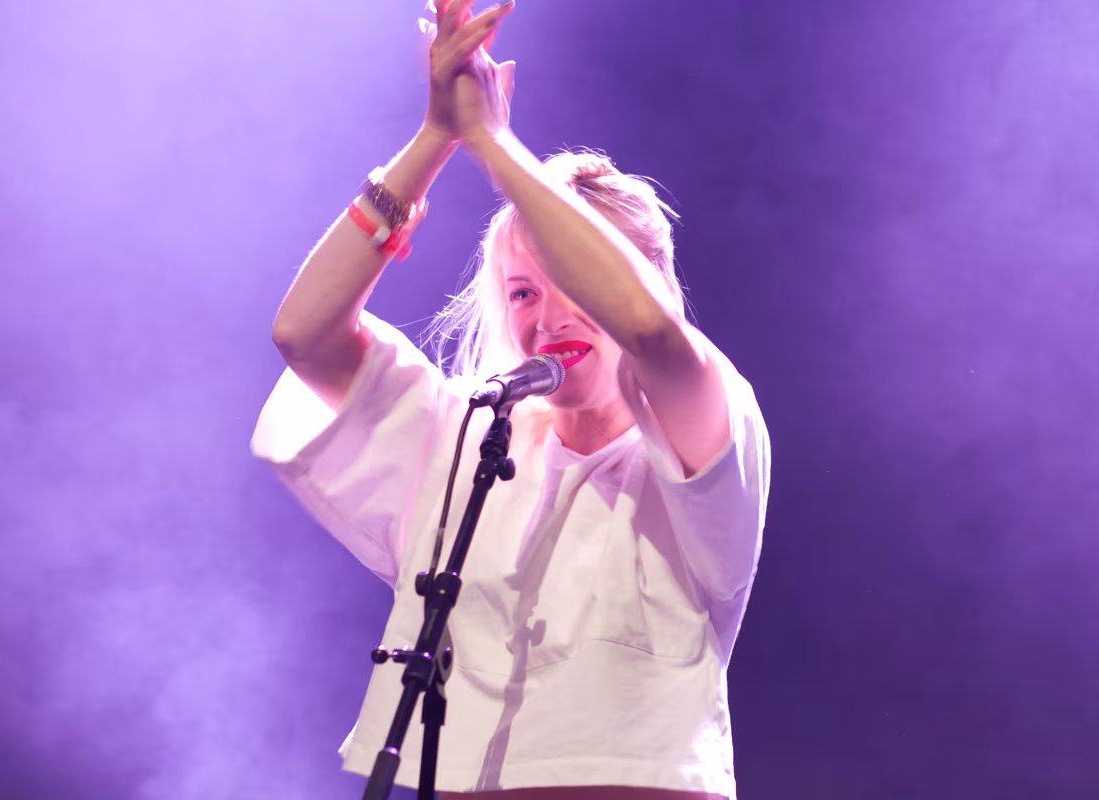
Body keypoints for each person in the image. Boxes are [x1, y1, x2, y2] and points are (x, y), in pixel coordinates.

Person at [250, 1, 770, 798]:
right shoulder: (467, 432)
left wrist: (493, 141)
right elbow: (303, 335)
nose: (548, 317)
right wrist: (437, 138)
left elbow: (650, 332)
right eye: (524, 291)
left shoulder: (708, 417)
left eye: (571, 283)